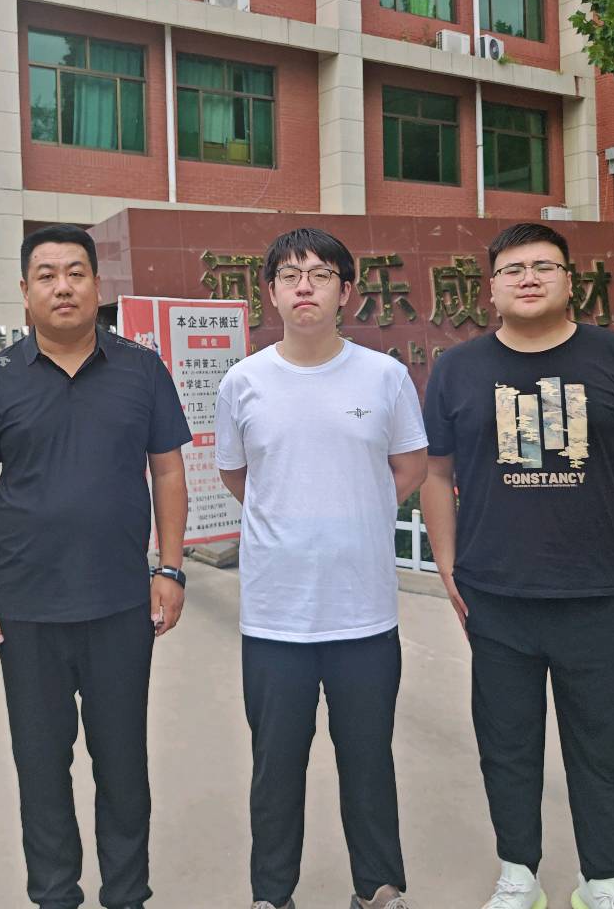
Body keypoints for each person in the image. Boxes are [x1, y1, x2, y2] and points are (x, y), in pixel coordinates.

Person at [419, 222, 614, 909]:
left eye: (543, 266)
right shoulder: (458, 368)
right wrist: (447, 567)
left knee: (601, 748)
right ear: (491, 287)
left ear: (569, 279)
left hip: (597, 595)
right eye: (513, 269)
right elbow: (435, 474)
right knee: (506, 745)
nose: (528, 279)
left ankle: (603, 879)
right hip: (496, 596)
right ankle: (518, 874)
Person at [0, 223, 191, 909]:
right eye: (48, 275)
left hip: (120, 604)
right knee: (40, 766)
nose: (63, 287)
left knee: (123, 765)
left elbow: (168, 471)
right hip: (26, 610)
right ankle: (55, 896)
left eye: (76, 272)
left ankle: (127, 895)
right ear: (25, 291)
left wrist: (170, 569)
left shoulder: (142, 370)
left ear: (97, 285)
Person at [216, 227, 428, 909]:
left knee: (369, 760)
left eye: (319, 274)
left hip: (363, 613)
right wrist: (294, 518)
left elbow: (408, 468)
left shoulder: (385, 377)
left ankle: (379, 887)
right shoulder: (244, 382)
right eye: (289, 275)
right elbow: (237, 475)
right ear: (271, 293)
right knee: (275, 766)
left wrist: (351, 512)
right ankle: (271, 893)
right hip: (275, 617)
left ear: (347, 292)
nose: (304, 286)